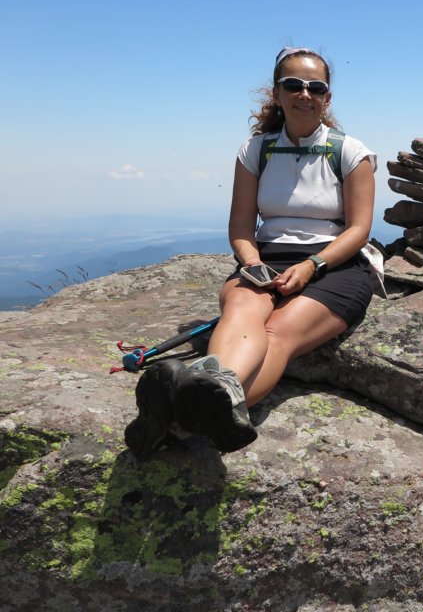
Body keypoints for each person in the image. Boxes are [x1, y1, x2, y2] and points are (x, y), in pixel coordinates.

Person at [126, 47, 376, 458]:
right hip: (267, 258)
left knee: (278, 333)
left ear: (327, 98)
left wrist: (312, 265)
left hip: (336, 263)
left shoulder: (349, 152)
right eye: (293, 85)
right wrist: (253, 262)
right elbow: (241, 228)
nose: (305, 94)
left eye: (316, 87)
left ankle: (177, 418)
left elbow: (358, 230)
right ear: (276, 93)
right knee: (242, 310)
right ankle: (210, 403)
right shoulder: (256, 150)